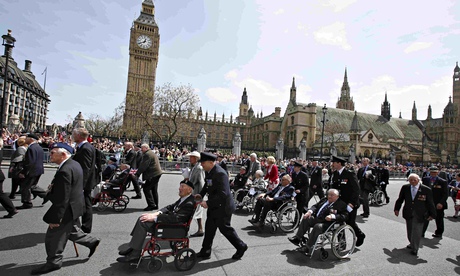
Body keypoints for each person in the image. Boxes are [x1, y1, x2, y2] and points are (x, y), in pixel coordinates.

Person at [31, 143, 100, 275]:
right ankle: (92, 242)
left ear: (63, 155)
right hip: (75, 206)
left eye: (52, 153)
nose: (49, 155)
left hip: (67, 208)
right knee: (72, 231)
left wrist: (57, 217)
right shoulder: (74, 164)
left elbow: (63, 197)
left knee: (53, 237)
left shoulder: (65, 170)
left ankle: (54, 262)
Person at [116, 180, 196, 263]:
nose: (179, 188)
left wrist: (155, 218)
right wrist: (157, 213)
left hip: (174, 227)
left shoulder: (189, 203)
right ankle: (133, 247)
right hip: (170, 223)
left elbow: (176, 218)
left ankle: (135, 254)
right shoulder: (184, 199)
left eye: (182, 187)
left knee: (143, 222)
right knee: (142, 218)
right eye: (180, 186)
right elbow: (170, 207)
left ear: (189, 190)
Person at [196, 152, 248, 260]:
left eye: (203, 163)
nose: (201, 165)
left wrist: (208, 203)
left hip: (223, 207)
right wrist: (200, 195)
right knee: (209, 228)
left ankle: (241, 246)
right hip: (214, 206)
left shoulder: (220, 173)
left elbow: (223, 194)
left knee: (225, 229)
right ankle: (205, 250)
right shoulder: (210, 171)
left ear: (211, 163)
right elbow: (207, 184)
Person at [288, 189, 348, 256]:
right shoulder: (324, 200)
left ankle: (307, 247)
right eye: (329, 194)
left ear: (337, 196)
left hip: (328, 223)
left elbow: (344, 216)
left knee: (317, 226)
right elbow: (315, 206)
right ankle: (297, 238)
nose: (330, 196)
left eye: (332, 195)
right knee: (306, 218)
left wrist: (333, 216)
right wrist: (309, 212)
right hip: (317, 218)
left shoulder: (341, 204)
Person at [394, 173, 436, 256]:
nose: (413, 181)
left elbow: (430, 203)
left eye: (414, 180)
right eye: (411, 180)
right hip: (408, 212)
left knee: (417, 231)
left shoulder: (426, 189)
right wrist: (396, 209)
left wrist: (432, 214)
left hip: (420, 213)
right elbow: (400, 199)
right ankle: (412, 243)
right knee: (410, 230)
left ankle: (415, 248)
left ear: (418, 180)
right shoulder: (405, 188)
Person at [329, 155, 366, 247]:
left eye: (333, 162)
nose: (332, 164)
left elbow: (356, 190)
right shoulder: (336, 174)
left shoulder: (350, 173)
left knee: (350, 222)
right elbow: (334, 188)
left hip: (350, 203)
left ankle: (360, 235)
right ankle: (342, 243)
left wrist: (352, 203)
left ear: (339, 163)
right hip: (340, 203)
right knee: (339, 221)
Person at [72, 128, 98, 233]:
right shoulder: (85, 147)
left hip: (85, 182)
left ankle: (86, 226)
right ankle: (83, 225)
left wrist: (81, 185)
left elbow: (85, 169)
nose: (72, 136)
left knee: (86, 204)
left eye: (73, 135)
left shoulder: (86, 148)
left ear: (79, 136)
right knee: (86, 203)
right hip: (86, 181)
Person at [17, 133, 44, 209]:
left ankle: (27, 203)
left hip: (31, 171)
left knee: (25, 187)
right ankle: (45, 195)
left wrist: (23, 172)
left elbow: (30, 162)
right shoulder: (38, 147)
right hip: (38, 170)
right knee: (32, 186)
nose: (25, 139)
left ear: (31, 139)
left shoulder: (31, 148)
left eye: (27, 138)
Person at [421, 166, 448, 238]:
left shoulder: (443, 181)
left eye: (435, 172)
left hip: (437, 202)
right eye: (432, 172)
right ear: (429, 172)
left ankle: (439, 233)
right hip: (427, 202)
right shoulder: (425, 179)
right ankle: (421, 232)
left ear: (438, 172)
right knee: (425, 217)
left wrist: (441, 203)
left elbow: (445, 194)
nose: (433, 174)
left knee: (439, 218)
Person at [135, 144, 163, 211]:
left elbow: (144, 165)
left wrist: (137, 174)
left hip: (152, 174)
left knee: (146, 189)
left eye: (142, 148)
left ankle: (151, 205)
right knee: (154, 190)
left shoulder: (147, 154)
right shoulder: (151, 153)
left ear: (146, 148)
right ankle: (155, 204)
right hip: (156, 173)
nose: (141, 150)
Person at [184, 151, 205, 237]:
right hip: (193, 193)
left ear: (196, 159)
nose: (190, 159)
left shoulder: (199, 168)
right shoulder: (193, 167)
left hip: (196, 193)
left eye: (191, 157)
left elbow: (201, 182)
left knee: (192, 211)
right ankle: (200, 229)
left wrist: (200, 196)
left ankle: (186, 229)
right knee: (195, 212)